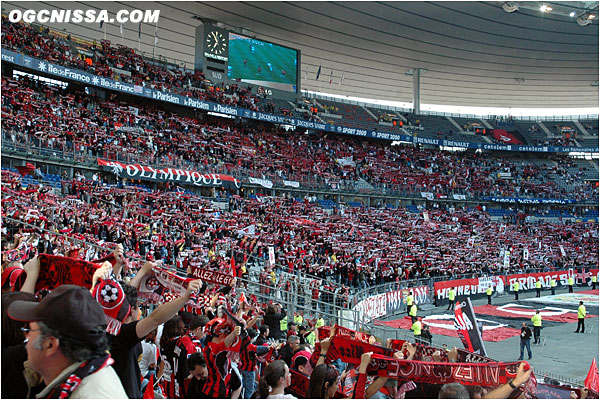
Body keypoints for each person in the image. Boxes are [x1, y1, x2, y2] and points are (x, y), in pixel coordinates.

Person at [7, 285, 128, 398]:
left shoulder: (88, 394)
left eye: (29, 330)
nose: (26, 337)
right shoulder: (91, 373)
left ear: (50, 345)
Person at [160, 315, 197, 398]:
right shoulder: (182, 342)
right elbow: (186, 373)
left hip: (167, 383)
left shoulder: (163, 341)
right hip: (178, 387)